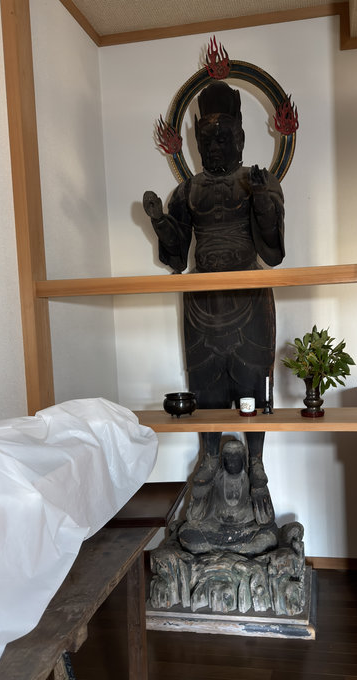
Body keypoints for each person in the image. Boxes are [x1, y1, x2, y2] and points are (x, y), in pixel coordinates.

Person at [143, 80, 285, 524]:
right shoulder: (187, 190)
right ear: (196, 144)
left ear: (241, 138)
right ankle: (207, 458)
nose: (215, 146)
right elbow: (175, 255)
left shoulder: (258, 180)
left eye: (224, 137)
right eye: (207, 140)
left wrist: (264, 202)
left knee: (253, 384)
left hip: (249, 299)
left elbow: (273, 253)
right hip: (202, 303)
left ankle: (257, 464)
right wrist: (160, 222)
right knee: (204, 386)